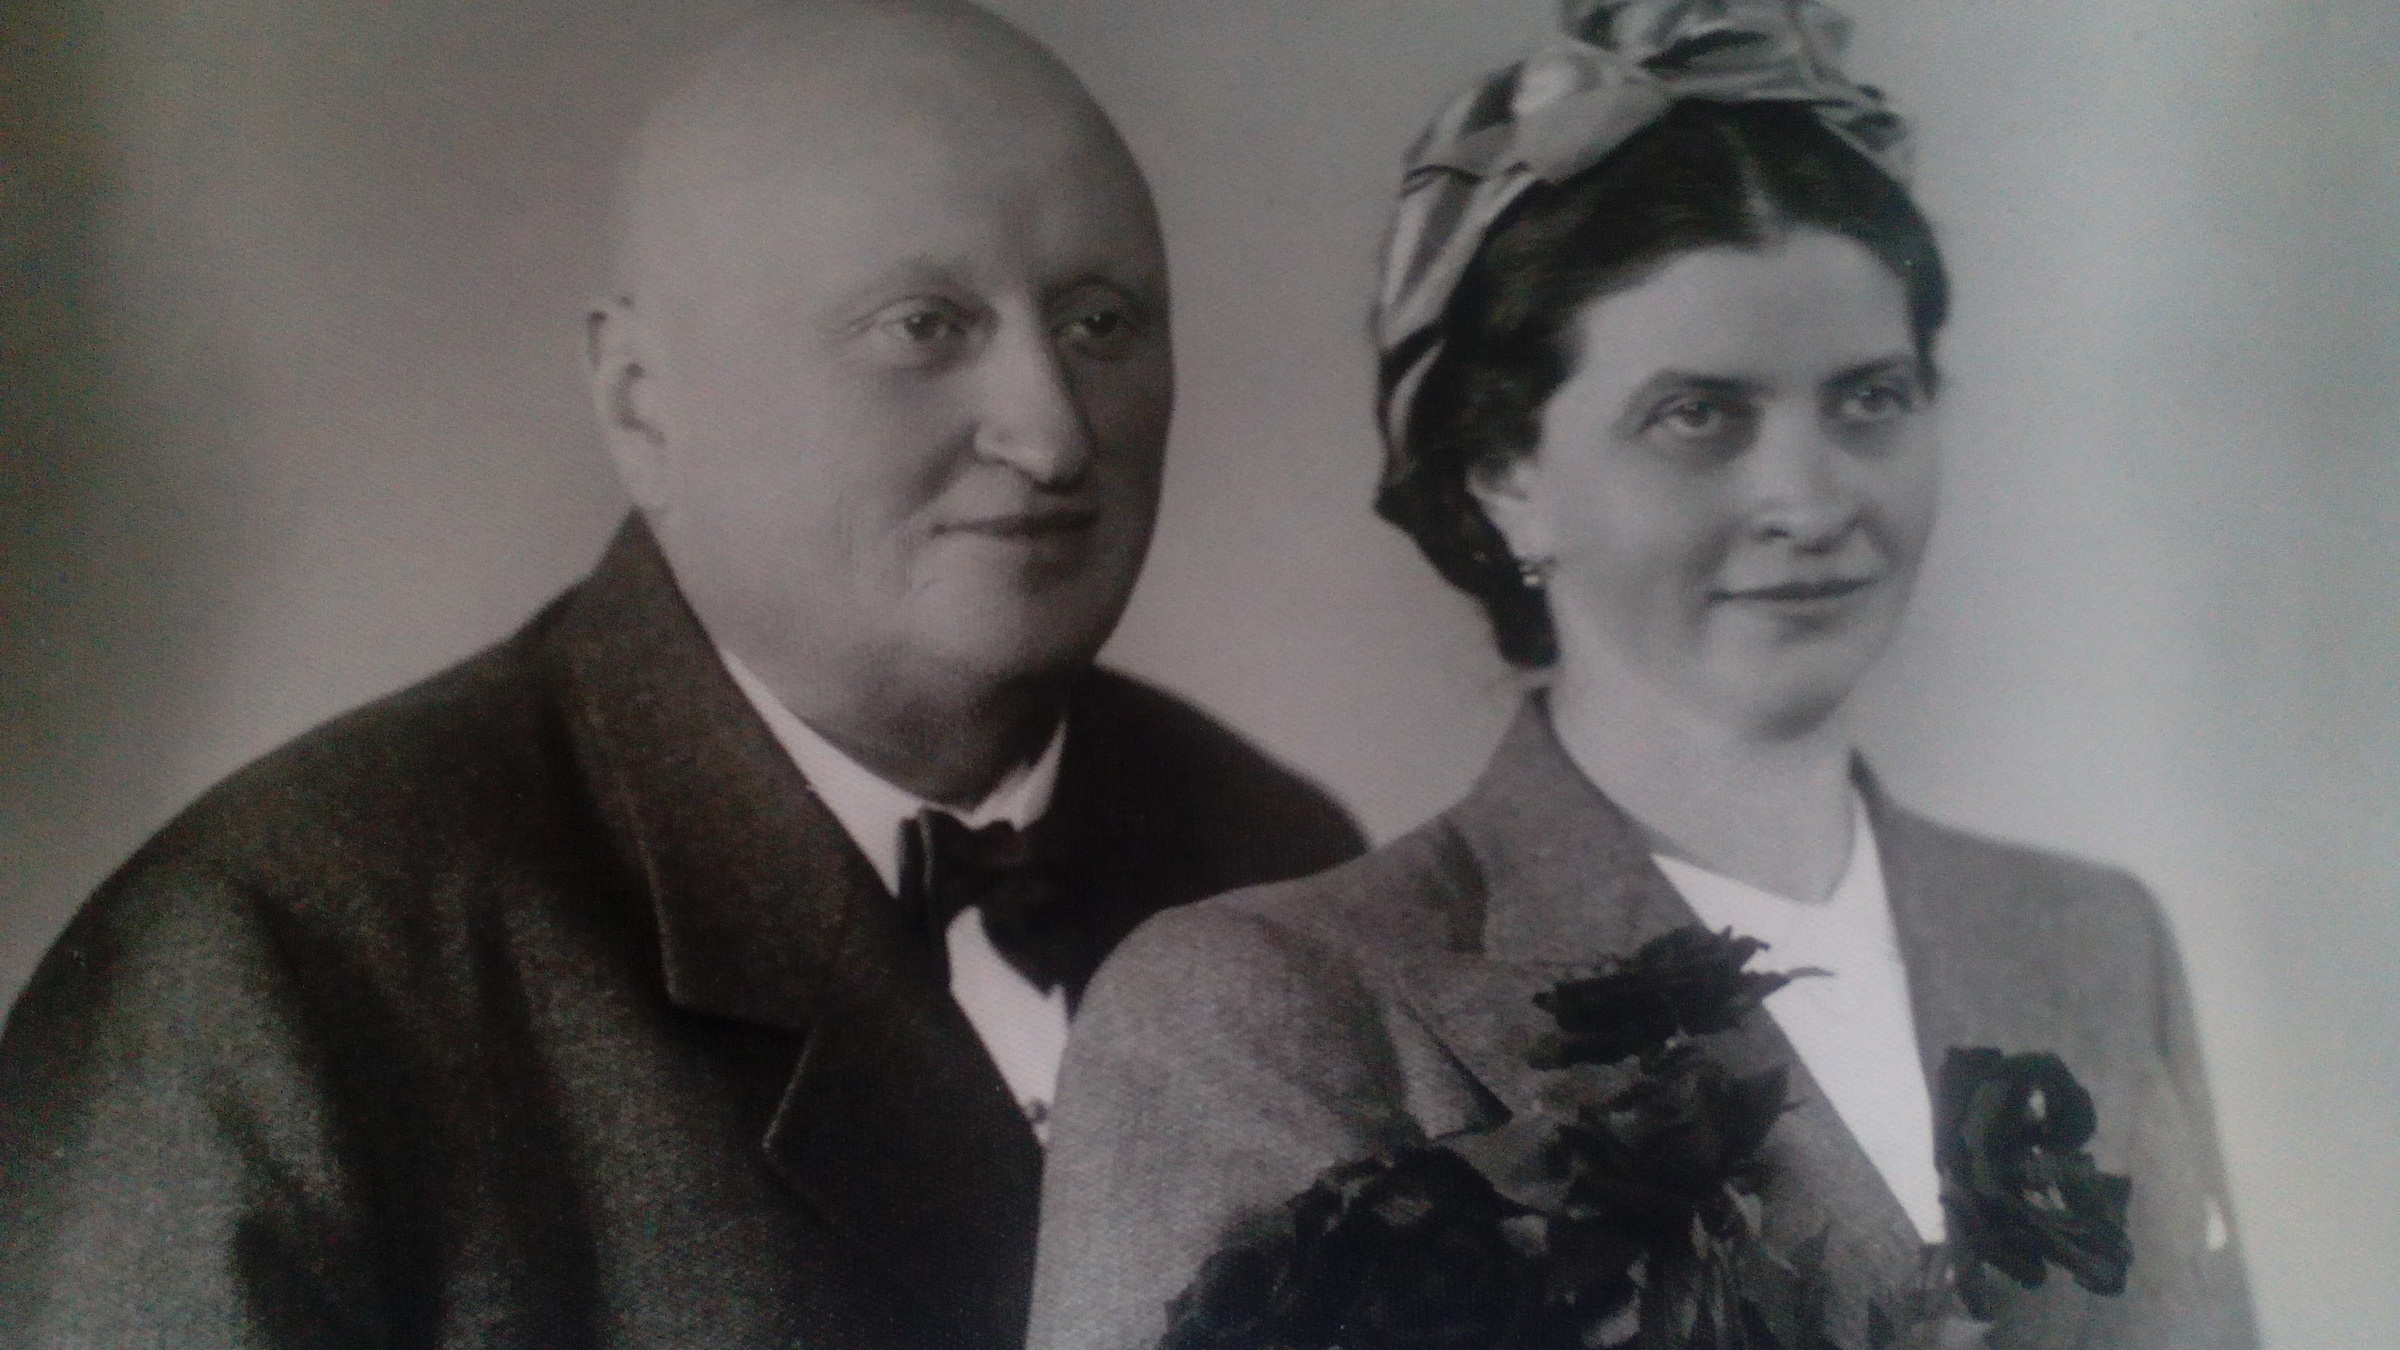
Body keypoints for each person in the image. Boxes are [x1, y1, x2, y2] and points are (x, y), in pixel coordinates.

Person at [0, 3, 1363, 1347]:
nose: (1053, 433)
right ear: (643, 401)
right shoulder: (272, 969)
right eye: (923, 326)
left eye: (1101, 321)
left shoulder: (1278, 857)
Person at [1028, 4, 2255, 1349]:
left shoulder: (2092, 941)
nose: (1812, 500)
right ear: (1506, 477)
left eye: (1870, 398)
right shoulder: (1269, 1009)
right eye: (1698, 414)